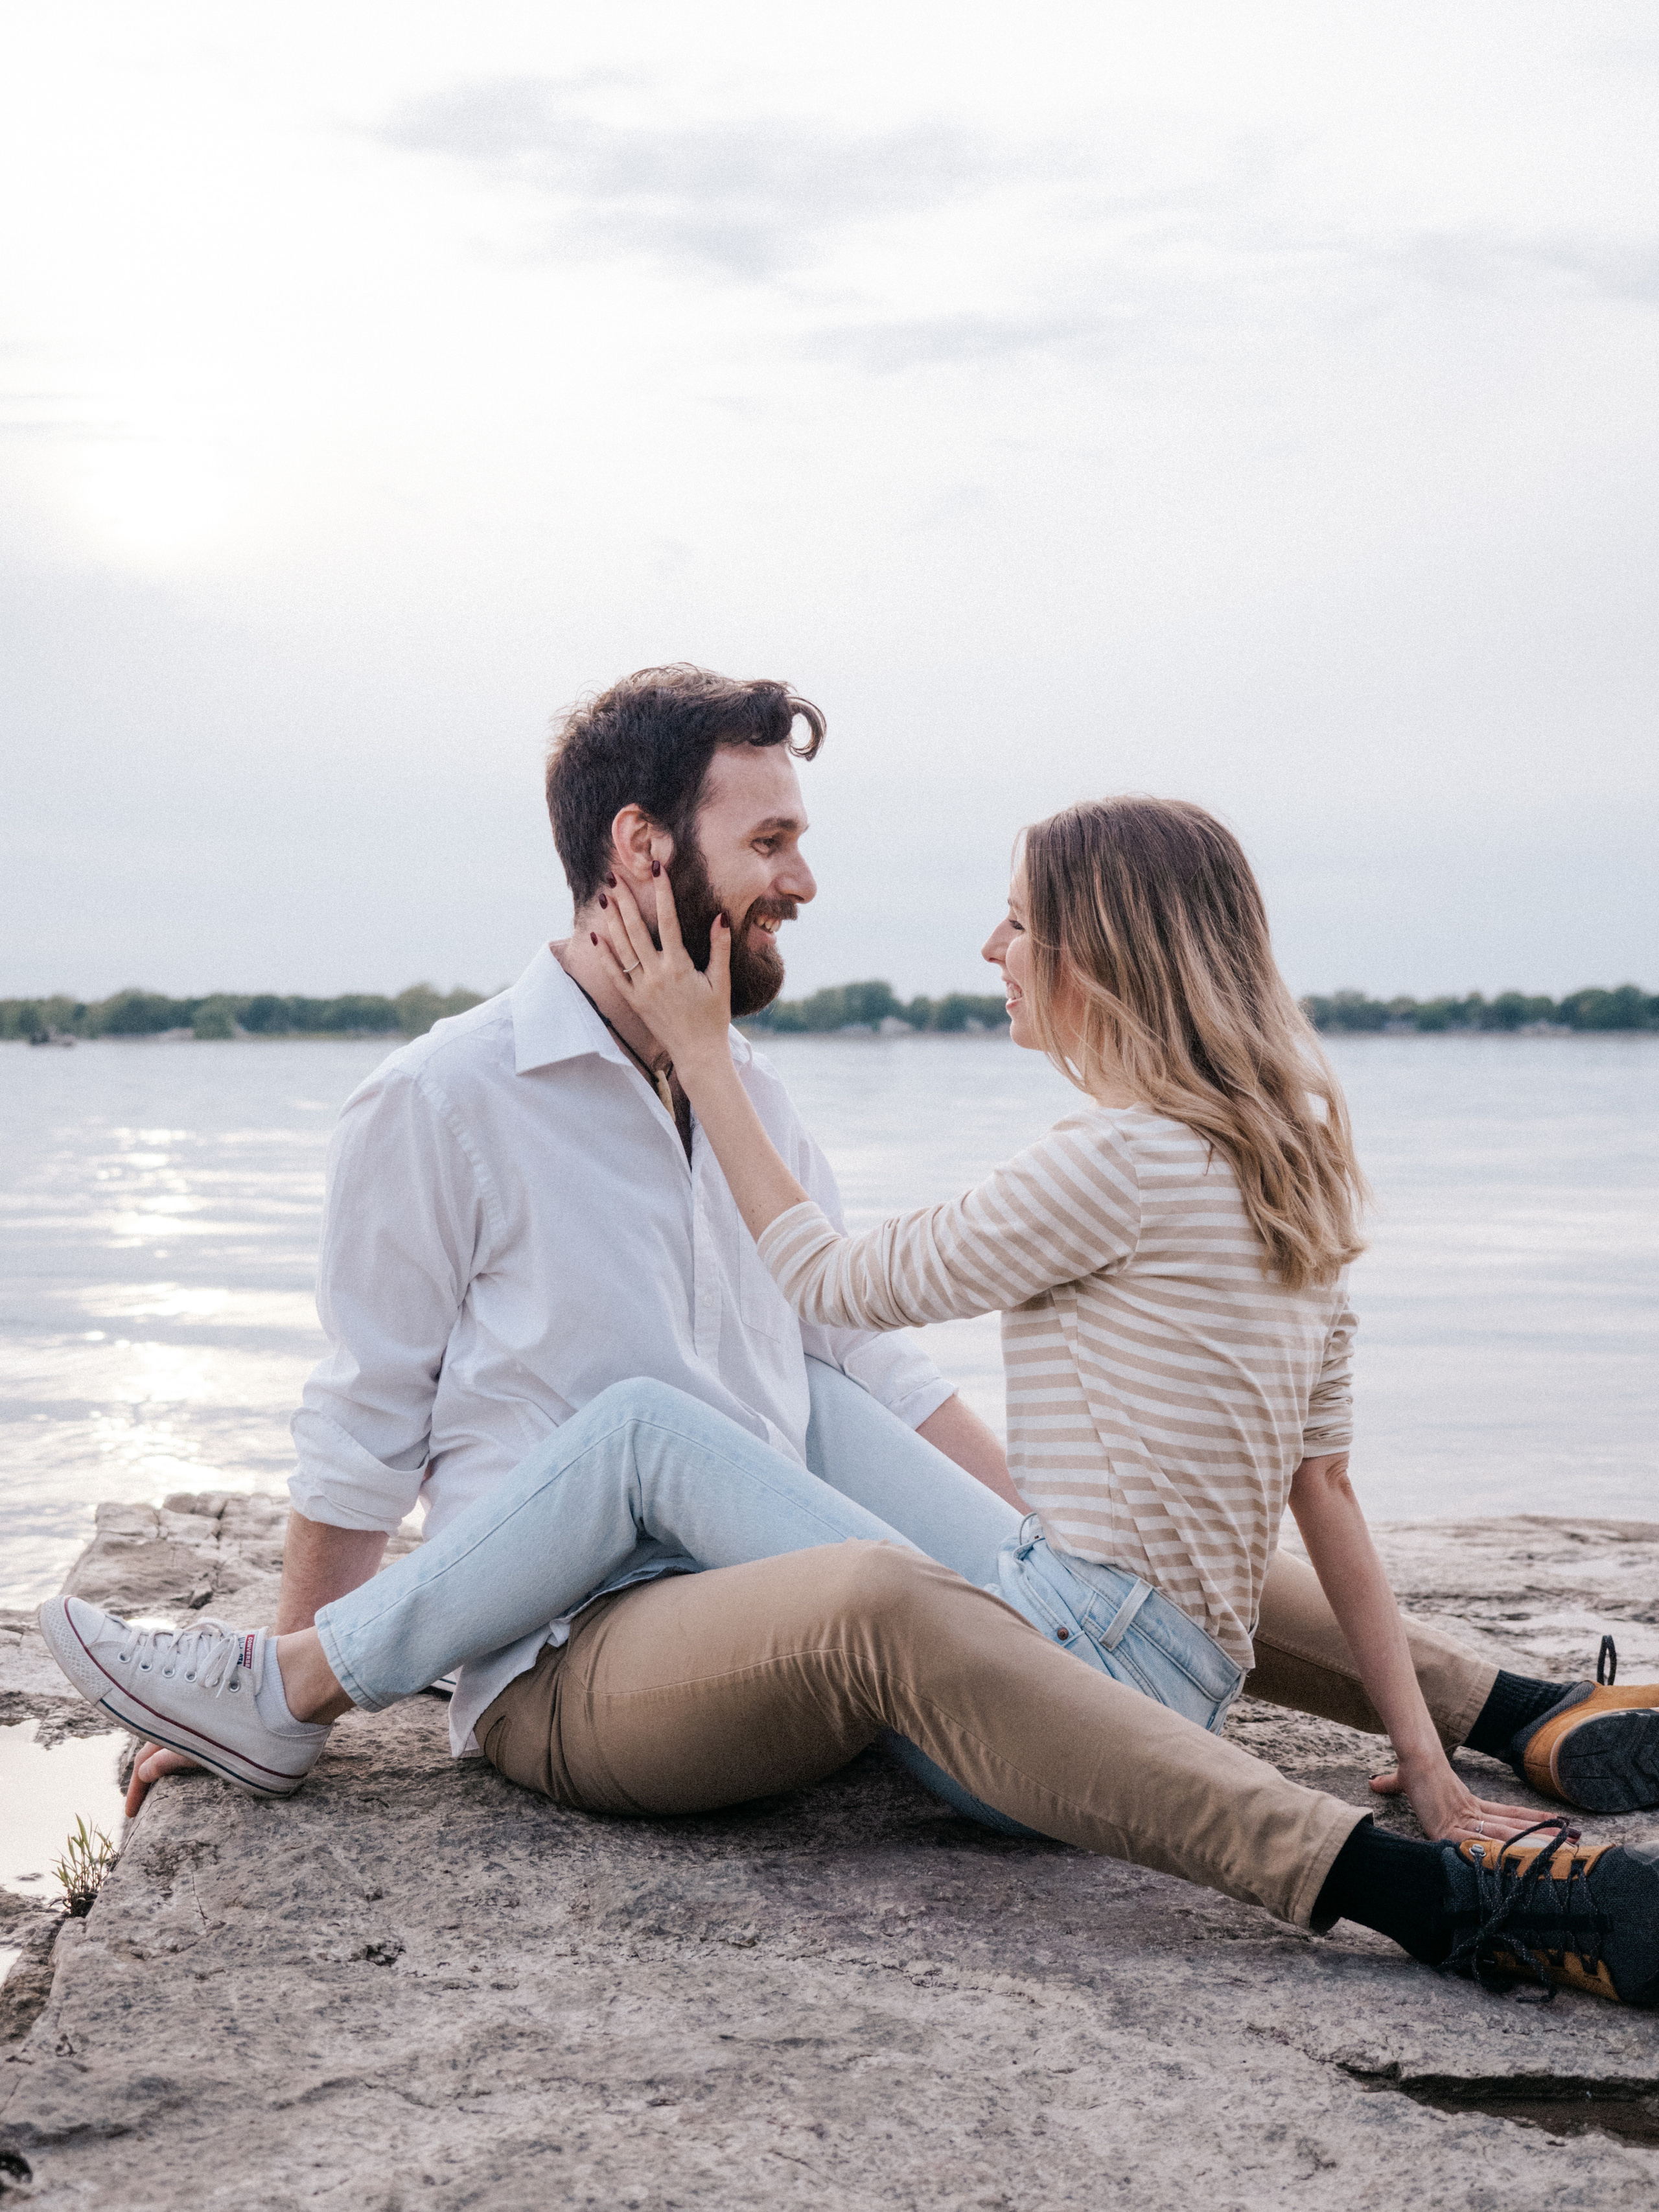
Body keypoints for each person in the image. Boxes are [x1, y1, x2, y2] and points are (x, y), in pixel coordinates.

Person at [40, 674, 1659, 2008]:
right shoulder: (442, 1098)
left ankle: (1521, 1710)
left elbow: (862, 1360)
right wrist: (299, 1706)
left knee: (942, 1488)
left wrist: (1051, 1599)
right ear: (639, 848)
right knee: (842, 1559)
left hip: (768, 1570)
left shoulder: (751, 1096)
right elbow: (363, 1421)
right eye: (771, 842)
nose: (805, 883)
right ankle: (268, 1695)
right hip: (577, 1649)